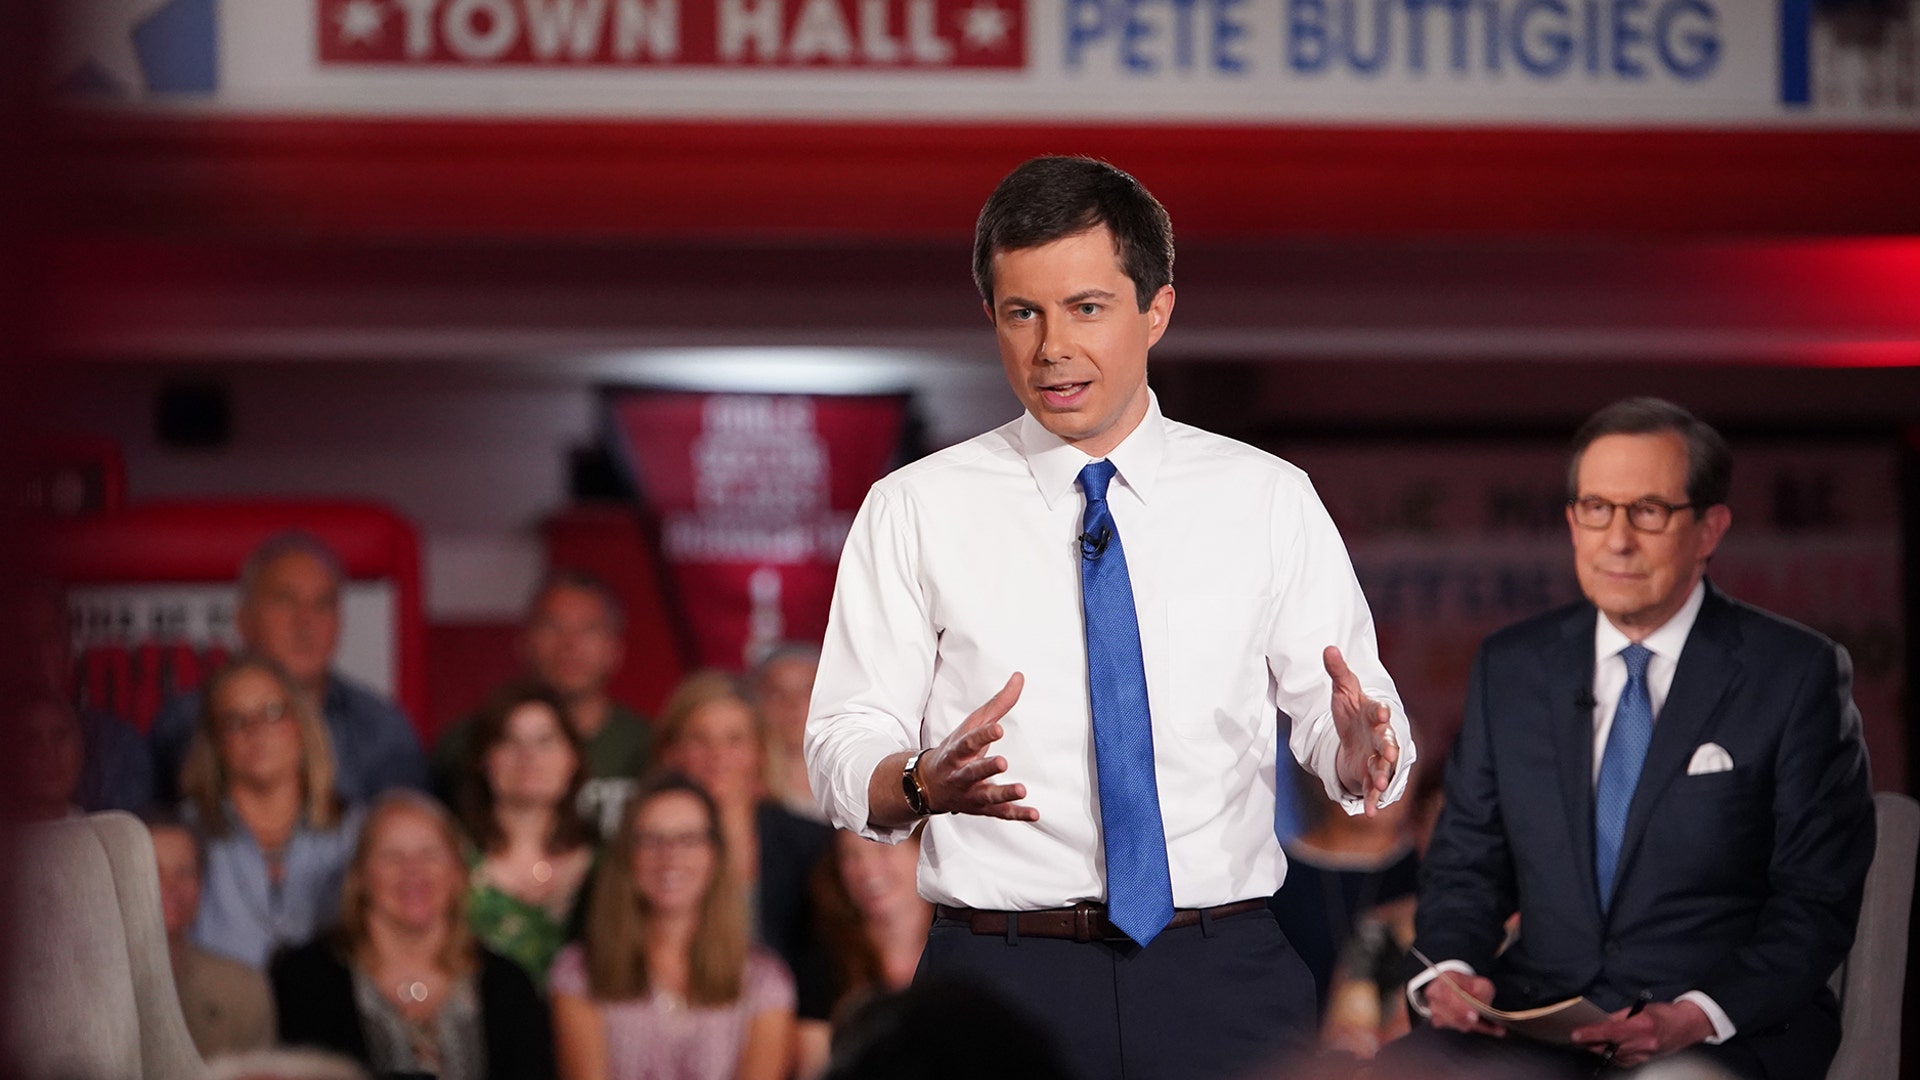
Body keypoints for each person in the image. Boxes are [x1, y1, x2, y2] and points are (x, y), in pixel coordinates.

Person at [804, 155, 1414, 1080]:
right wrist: (922, 783)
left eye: (1086, 308)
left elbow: (1348, 718)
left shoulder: (1267, 498)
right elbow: (843, 742)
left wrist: (1364, 747)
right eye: (1023, 313)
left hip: (1225, 968)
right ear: (992, 319)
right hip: (996, 974)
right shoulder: (914, 508)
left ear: (1156, 310)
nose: (1053, 347)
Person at [1395, 398, 1876, 1079]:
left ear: (1710, 529)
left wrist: (1699, 1013)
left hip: (1719, 1035)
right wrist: (1450, 971)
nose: (1617, 539)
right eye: (1596, 508)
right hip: (1540, 1023)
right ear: (1572, 522)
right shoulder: (1512, 666)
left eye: (1647, 511)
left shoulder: (1794, 674)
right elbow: (1466, 865)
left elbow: (1816, 900)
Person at [271, 791, 555, 1080]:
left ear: (457, 872)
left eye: (429, 854)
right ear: (360, 876)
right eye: (392, 856)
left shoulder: (508, 986)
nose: (413, 871)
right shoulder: (304, 980)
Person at [549, 772, 797, 1080]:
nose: (670, 856)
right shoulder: (577, 973)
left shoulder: (766, 983)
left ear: (714, 855)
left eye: (689, 839)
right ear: (627, 855)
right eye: (652, 840)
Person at [152, 531, 426, 805]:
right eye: (285, 600)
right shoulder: (185, 720)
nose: (305, 621)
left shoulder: (383, 729)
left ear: (340, 623)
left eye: (322, 603)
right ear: (242, 618)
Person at [652, 671, 836, 1037]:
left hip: (787, 1035)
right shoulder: (641, 846)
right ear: (671, 753)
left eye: (734, 740)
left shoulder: (812, 845)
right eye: (699, 739)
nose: (717, 755)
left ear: (758, 751)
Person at [436, 569, 652, 837]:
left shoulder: (651, 746)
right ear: (524, 642)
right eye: (552, 627)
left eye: (588, 630)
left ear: (615, 650)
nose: (570, 645)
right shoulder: (467, 743)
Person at [181, 654, 364, 968]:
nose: (256, 731)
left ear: (301, 724)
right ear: (215, 742)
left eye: (273, 712)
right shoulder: (184, 834)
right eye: (234, 720)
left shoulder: (358, 832)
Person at [457, 678, 597, 985]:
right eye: (509, 741)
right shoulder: (449, 864)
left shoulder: (607, 865)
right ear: (485, 758)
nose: (528, 756)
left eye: (545, 741)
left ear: (572, 758)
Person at [1267, 764, 1419, 1013]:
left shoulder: (1433, 873)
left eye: (1394, 769)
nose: (1379, 783)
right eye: (1366, 766)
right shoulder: (1273, 874)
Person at [146, 810, 276, 1061]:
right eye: (153, 870)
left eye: (184, 871)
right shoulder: (88, 991)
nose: (171, 885)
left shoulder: (243, 990)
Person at [800, 828, 931, 1076]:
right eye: (850, 855)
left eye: (883, 849)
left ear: (922, 850)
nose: (866, 869)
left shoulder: (963, 953)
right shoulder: (823, 963)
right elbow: (814, 1067)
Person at [751, 642, 825, 821]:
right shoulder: (747, 792)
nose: (793, 705)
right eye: (777, 694)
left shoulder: (856, 784)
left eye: (807, 692)